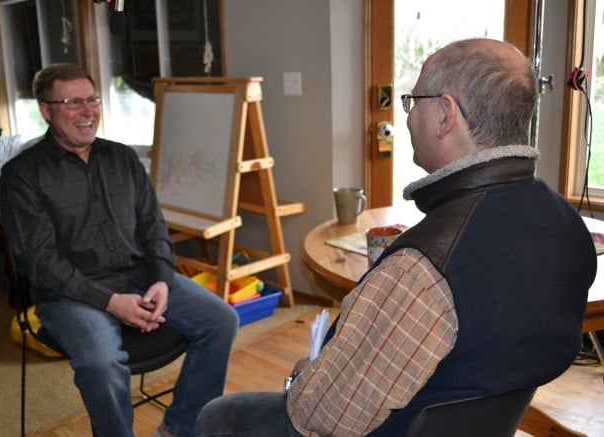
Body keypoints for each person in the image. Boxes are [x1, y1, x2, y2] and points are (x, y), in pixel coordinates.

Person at [194, 38, 598, 436]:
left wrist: (303, 377)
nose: (406, 116)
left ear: (445, 114)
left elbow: (319, 416)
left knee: (219, 416)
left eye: (412, 101)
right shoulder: (566, 224)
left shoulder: (423, 270)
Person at [0, 63, 239, 437]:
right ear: (46, 110)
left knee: (221, 320)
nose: (87, 111)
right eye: (72, 102)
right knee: (100, 362)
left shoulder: (123, 158)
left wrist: (160, 280)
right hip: (69, 296)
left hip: (139, 276)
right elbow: (40, 263)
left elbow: (153, 228)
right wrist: (110, 301)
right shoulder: (22, 175)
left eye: (91, 99)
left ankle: (181, 428)